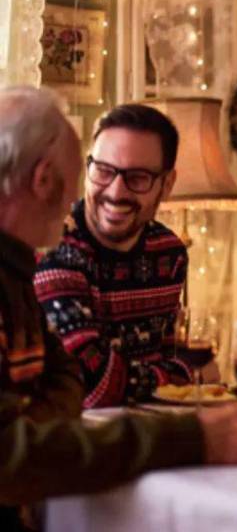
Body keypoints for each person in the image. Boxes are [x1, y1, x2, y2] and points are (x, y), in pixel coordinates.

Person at [0, 87, 237, 530]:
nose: (103, 193)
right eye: (92, 173)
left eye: (136, 177)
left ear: (165, 184)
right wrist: (191, 434)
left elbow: (65, 377)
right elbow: (75, 394)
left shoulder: (13, 268)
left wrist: (38, 424)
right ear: (44, 180)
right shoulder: (42, 259)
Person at [34, 103, 191, 407]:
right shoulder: (55, 248)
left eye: (138, 177)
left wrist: (173, 373)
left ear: (167, 184)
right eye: (104, 171)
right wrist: (178, 375)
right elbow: (93, 387)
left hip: (158, 430)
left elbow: (173, 356)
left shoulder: (170, 253)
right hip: (81, 440)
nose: (116, 192)